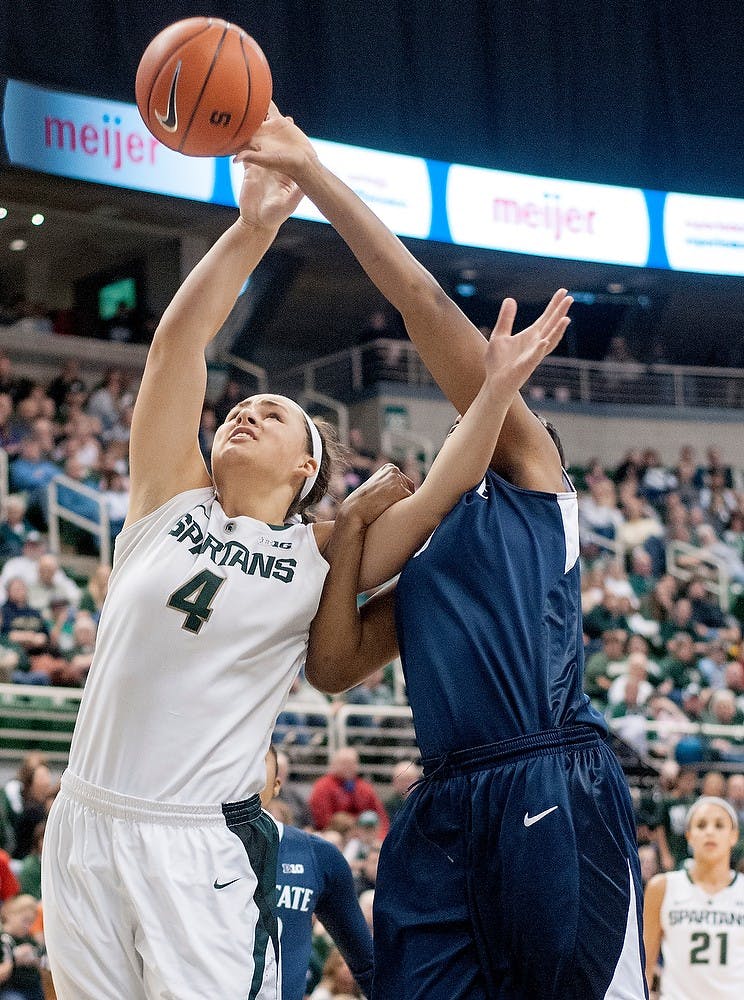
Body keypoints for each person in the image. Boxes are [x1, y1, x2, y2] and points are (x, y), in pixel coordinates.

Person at [40, 152, 560, 1000]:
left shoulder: (318, 556)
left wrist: (496, 394)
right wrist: (252, 229)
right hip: (86, 819)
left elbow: (436, 494)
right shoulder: (166, 501)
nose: (245, 409)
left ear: (306, 470)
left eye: (273, 414)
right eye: (241, 407)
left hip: (200, 846)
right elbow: (177, 344)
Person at [238, 109, 646, 998]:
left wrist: (316, 176)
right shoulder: (422, 546)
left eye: (486, 407)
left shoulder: (537, 488)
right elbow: (336, 665)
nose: (470, 408)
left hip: (549, 775)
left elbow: (422, 305)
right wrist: (347, 534)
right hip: (445, 803)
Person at [260, 746, 373, 1000]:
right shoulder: (185, 853)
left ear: (277, 785)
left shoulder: (317, 856)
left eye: (260, 759)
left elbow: (367, 963)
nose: (248, 771)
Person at [643, 796, 744, 998]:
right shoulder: (662, 887)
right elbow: (643, 966)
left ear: (734, 836)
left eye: (719, 825)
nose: (709, 831)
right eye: (701, 825)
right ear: (689, 835)